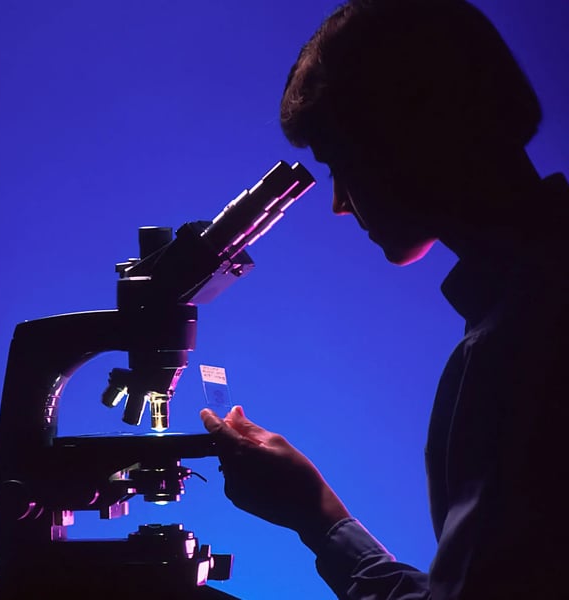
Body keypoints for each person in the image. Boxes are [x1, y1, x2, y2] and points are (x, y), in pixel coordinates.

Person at [201, 1, 569, 598]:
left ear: (407, 137)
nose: (340, 202)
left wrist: (318, 517)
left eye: (340, 163)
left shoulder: (515, 353)